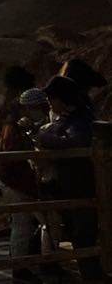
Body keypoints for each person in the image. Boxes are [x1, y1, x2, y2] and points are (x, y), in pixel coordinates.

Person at [30, 74, 100, 280]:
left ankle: (92, 276)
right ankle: (90, 274)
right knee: (76, 231)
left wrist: (42, 136)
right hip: (71, 184)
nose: (50, 103)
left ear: (62, 98)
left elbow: (74, 141)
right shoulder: (69, 117)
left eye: (52, 98)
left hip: (81, 183)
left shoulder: (79, 118)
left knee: (83, 233)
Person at [2, 86, 49, 282]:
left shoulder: (15, 126)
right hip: (18, 183)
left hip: (18, 182)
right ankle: (21, 269)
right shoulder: (15, 129)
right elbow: (15, 157)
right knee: (24, 225)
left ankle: (35, 264)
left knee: (32, 224)